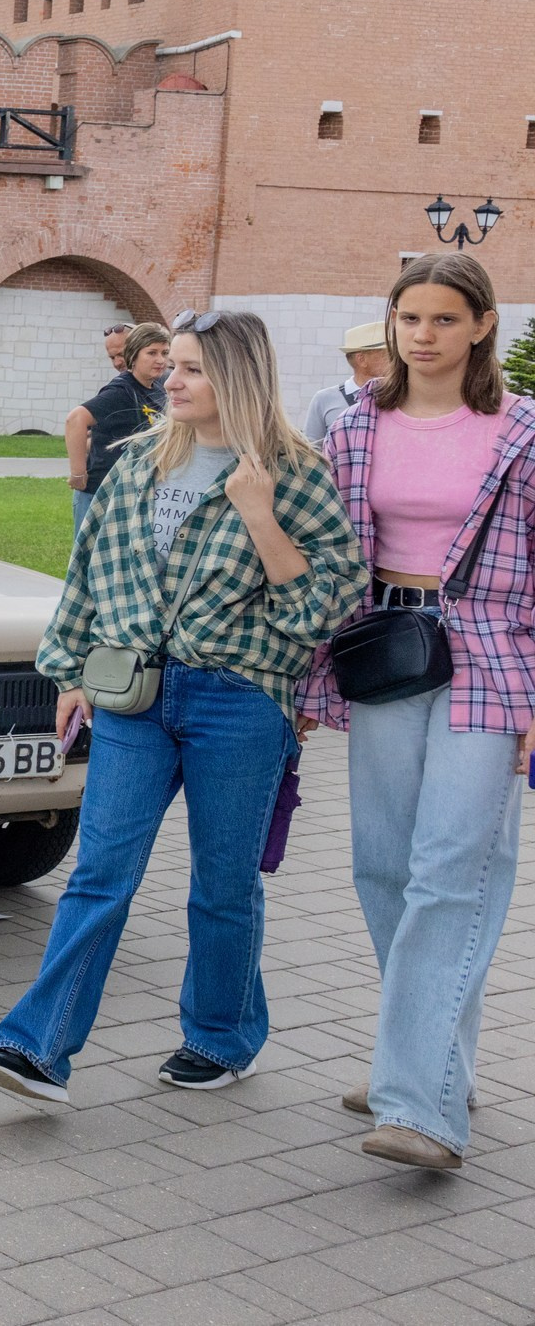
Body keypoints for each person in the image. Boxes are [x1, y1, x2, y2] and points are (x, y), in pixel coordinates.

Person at [0, 308, 363, 1105]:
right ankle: (37, 1049)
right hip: (135, 695)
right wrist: (71, 669)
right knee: (100, 874)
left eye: (190, 369)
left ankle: (220, 1038)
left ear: (239, 377)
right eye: (171, 366)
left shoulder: (295, 472)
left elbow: (327, 604)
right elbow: (90, 571)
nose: (171, 380)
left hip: (241, 701)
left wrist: (259, 514)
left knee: (222, 884)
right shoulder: (141, 460)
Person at [298, 255, 535, 1170]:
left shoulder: (520, 430)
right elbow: (329, 556)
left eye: (443, 319)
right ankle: (431, 1056)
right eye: (409, 318)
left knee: (450, 873)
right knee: (383, 868)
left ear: (481, 326)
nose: (424, 335)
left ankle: (420, 1108)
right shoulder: (356, 427)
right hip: (386, 651)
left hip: (495, 658)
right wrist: (305, 676)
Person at [67, 322, 172, 530]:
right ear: (134, 355)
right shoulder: (122, 389)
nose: (160, 360)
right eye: (151, 353)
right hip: (100, 494)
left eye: (164, 353)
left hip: (132, 492)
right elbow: (76, 419)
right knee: (90, 561)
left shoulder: (156, 388)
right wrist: (78, 474)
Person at [304, 320, 393, 443]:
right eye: (387, 355)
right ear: (361, 359)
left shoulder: (399, 397)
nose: (394, 360)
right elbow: (311, 452)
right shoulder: (323, 399)